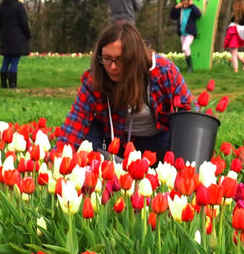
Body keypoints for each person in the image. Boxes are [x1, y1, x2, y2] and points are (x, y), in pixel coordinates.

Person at [56, 22, 192, 158]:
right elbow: (75, 124)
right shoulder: (94, 80)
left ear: (135, 58)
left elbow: (190, 112)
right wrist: (59, 160)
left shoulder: (164, 72)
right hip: (114, 143)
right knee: (86, 138)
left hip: (156, 142)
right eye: (107, 58)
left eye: (120, 59)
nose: (112, 67)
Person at [0, 0, 31, 89]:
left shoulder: (2, 6)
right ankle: (13, 84)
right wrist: (28, 34)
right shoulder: (19, 6)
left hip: (5, 36)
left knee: (6, 59)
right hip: (17, 38)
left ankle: (3, 83)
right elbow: (24, 22)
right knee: (15, 60)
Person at [169, 0, 202, 72]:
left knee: (185, 47)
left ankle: (190, 67)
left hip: (190, 32)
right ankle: (190, 67)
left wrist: (192, 5)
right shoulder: (180, 10)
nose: (185, 5)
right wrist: (175, 7)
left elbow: (198, 15)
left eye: (186, 3)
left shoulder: (192, 9)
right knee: (186, 49)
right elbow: (172, 17)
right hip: (182, 32)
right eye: (183, 3)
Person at [224, 0, 244, 72]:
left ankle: (235, 69)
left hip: (234, 37)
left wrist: (226, 42)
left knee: (233, 53)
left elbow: (230, 32)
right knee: (234, 51)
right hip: (240, 36)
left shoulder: (234, 19)